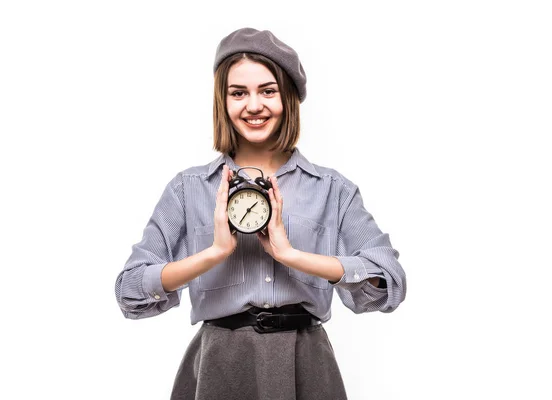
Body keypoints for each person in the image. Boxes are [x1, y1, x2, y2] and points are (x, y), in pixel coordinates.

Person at [114, 27, 407, 400]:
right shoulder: (188, 189)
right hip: (220, 363)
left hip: (307, 362)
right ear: (223, 102)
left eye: (268, 91)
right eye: (239, 93)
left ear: (288, 98)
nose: (254, 106)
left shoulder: (333, 189)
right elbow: (129, 290)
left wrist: (293, 256)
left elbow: (389, 281)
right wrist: (214, 253)